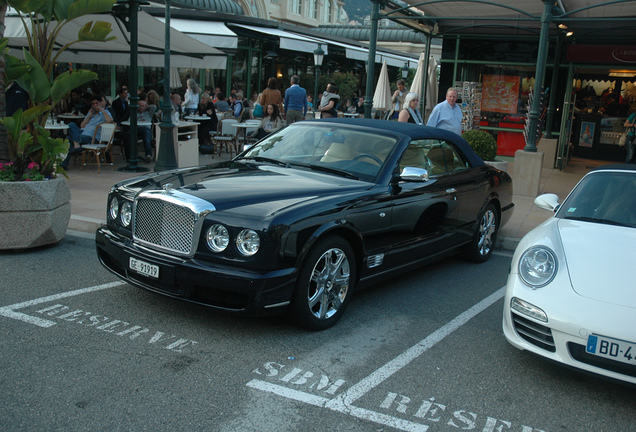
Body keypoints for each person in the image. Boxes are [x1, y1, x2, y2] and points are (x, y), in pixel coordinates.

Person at [60, 95, 114, 169]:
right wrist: (89, 115)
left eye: (97, 103)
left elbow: (110, 120)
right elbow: (82, 125)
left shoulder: (105, 112)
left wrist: (102, 110)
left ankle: (64, 163)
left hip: (91, 137)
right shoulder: (91, 113)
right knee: (71, 125)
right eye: (93, 104)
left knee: (68, 138)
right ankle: (76, 143)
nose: (95, 105)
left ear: (101, 103)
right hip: (82, 133)